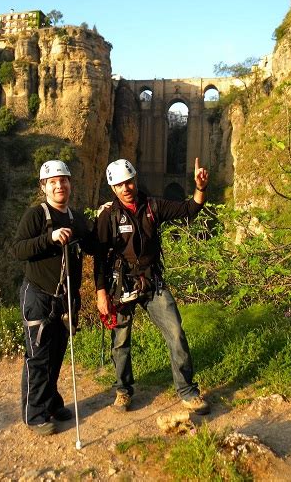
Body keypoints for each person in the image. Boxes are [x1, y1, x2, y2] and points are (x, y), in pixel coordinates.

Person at [94, 157, 210, 414]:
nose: (126, 187)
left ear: (136, 180)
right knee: (120, 340)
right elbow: (99, 258)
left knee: (176, 332)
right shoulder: (107, 216)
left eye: (129, 181)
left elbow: (189, 209)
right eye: (120, 184)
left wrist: (200, 188)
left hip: (152, 282)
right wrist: (101, 293)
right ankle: (123, 391)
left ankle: (187, 391)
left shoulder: (152, 207)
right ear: (113, 188)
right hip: (120, 285)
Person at [13, 160, 94, 435]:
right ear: (44, 186)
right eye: (53, 181)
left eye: (64, 180)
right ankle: (34, 414)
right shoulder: (37, 215)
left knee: (57, 353)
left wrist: (108, 214)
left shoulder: (76, 218)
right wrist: (50, 238)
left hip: (64, 298)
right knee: (38, 357)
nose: (60, 185)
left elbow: (93, 243)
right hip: (37, 295)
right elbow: (19, 250)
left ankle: (50, 402)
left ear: (70, 183)